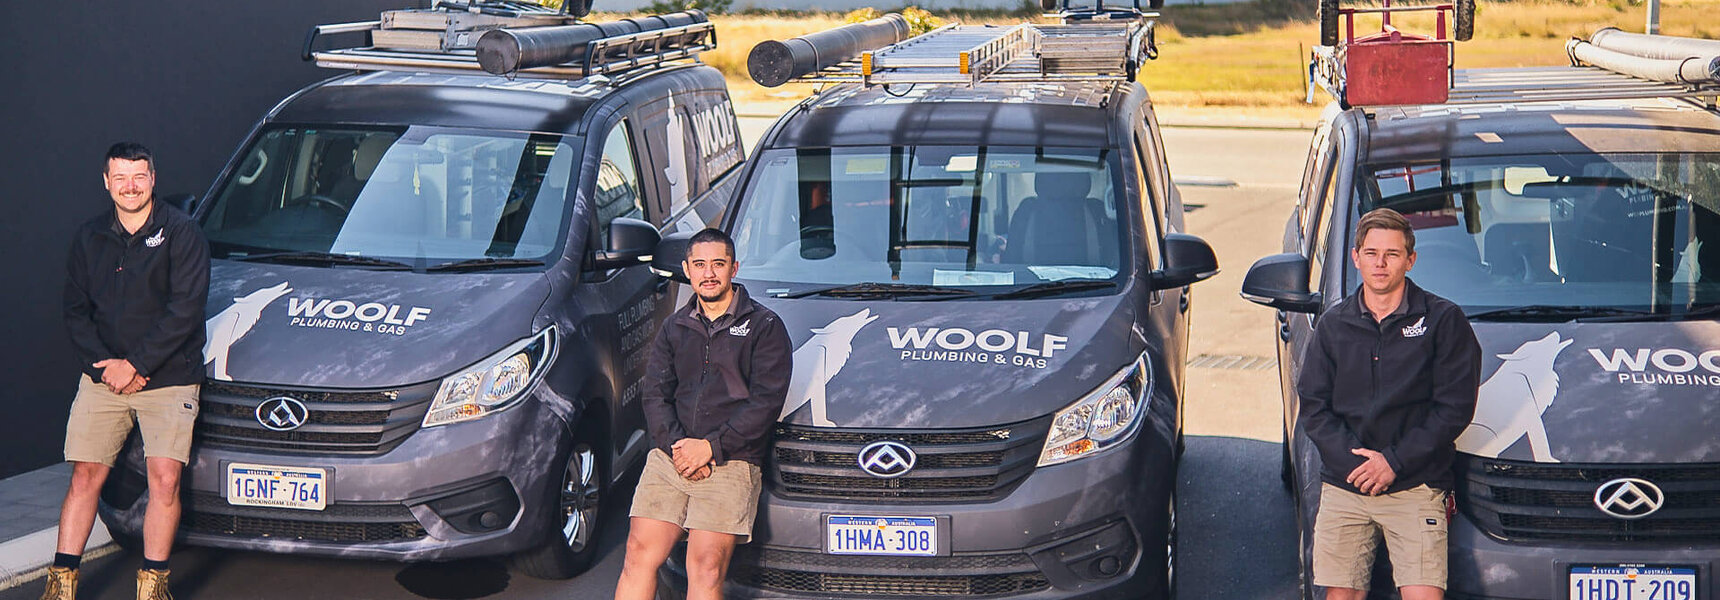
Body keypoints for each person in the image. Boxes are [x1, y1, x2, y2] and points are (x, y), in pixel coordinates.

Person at [47, 143, 210, 600]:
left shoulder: (183, 233)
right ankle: (61, 584)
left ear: (153, 179)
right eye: (120, 178)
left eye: (139, 176)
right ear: (106, 182)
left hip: (169, 376)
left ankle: (152, 586)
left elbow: (185, 310)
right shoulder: (89, 238)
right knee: (85, 476)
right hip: (105, 377)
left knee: (164, 480)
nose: (130, 186)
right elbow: (76, 312)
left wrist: (136, 365)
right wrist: (106, 369)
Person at [1297, 208, 1481, 600]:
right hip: (1347, 484)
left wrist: (1393, 462)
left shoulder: (1443, 321)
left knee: (1424, 595)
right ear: (1356, 258)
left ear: (1410, 260)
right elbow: (1313, 405)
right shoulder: (1334, 325)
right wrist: (1359, 466)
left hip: (1415, 484)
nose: (1380, 263)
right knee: (1340, 595)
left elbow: (1453, 408)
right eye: (1371, 253)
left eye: (1392, 254)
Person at [614, 228, 793, 600]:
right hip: (672, 457)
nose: (708, 273)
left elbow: (765, 404)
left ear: (733, 268)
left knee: (705, 566)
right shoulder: (673, 327)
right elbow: (655, 394)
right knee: (638, 554)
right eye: (699, 265)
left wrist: (710, 447)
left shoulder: (765, 327)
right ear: (687, 270)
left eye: (717, 264)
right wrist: (679, 448)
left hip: (732, 461)